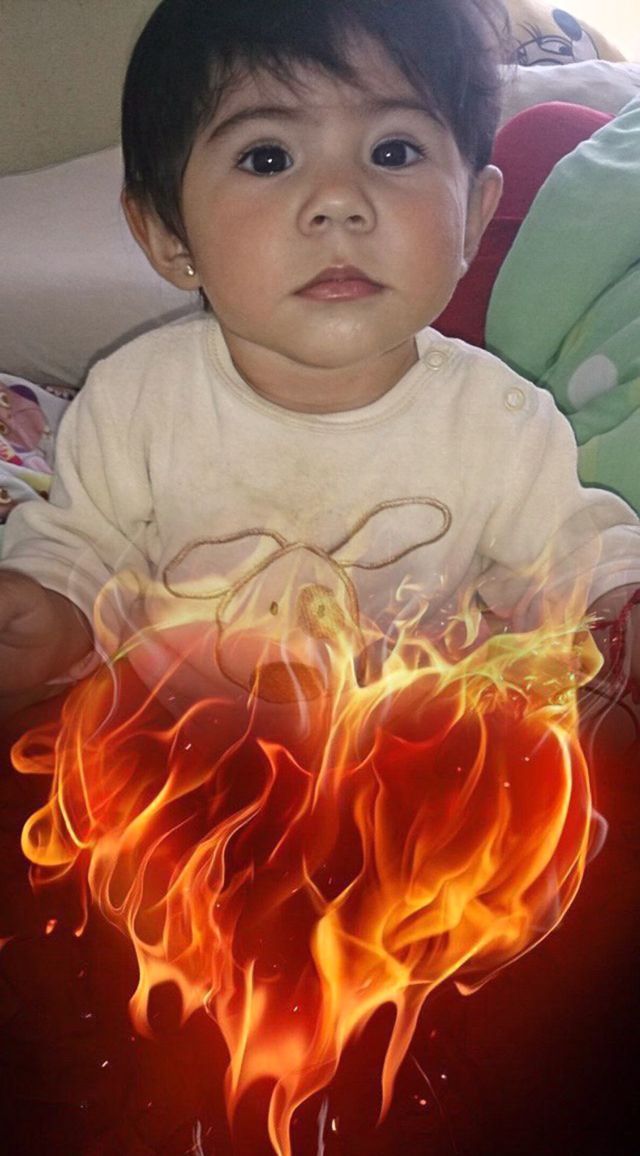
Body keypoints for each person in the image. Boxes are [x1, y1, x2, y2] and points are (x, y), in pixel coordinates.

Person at [0, 0, 639, 715]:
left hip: (415, 760)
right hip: (180, 757)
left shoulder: (498, 421)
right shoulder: (135, 403)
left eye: (393, 152)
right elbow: (82, 552)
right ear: (169, 237)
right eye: (268, 158)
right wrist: (49, 612)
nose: (338, 201)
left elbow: (574, 554)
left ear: (472, 219)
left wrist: (618, 600)